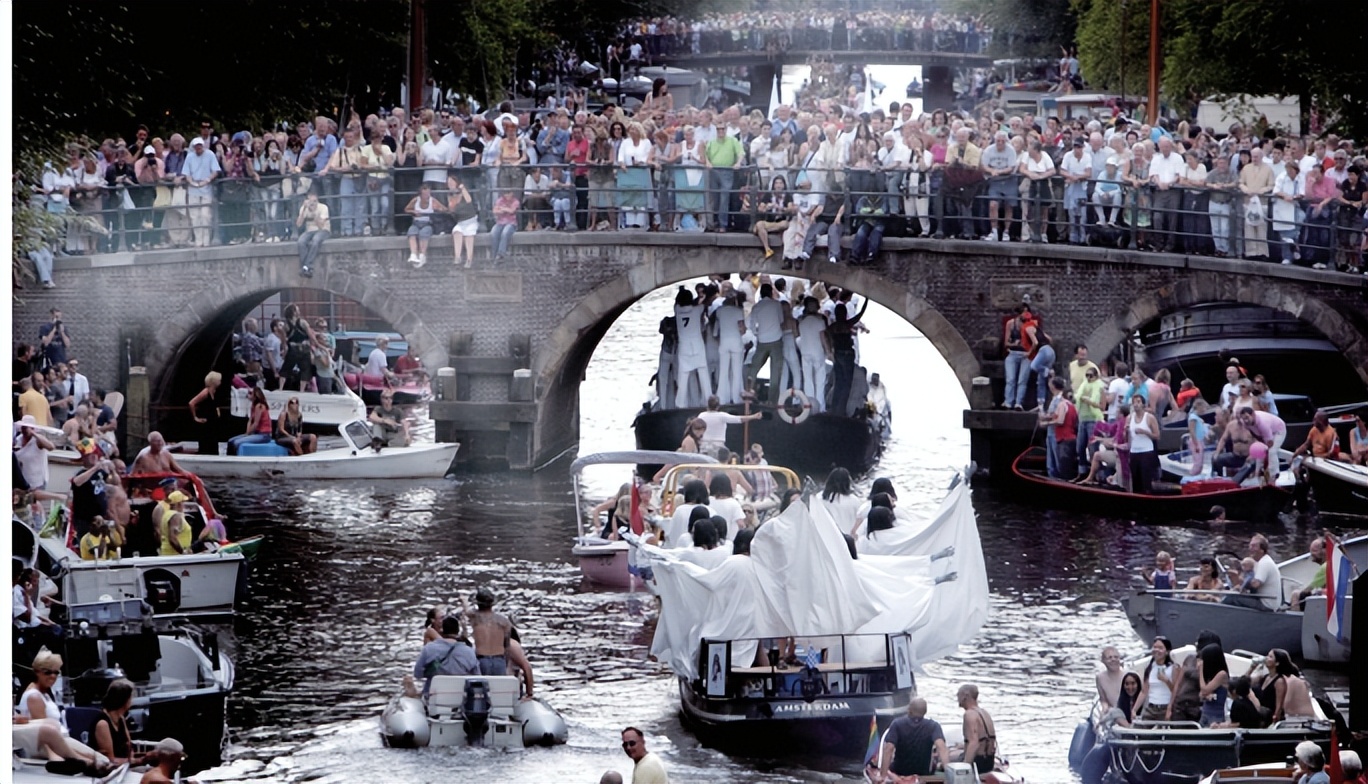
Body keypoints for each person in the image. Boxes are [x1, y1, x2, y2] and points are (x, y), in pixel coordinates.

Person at [872, 696, 950, 782]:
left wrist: (883, 776)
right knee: (935, 761)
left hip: (899, 770)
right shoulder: (934, 726)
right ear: (925, 711)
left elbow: (888, 749)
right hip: (924, 772)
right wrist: (950, 774)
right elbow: (941, 747)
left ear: (909, 709)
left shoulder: (897, 724)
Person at [413, 615, 479, 694]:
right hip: (460, 697)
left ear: (442, 630)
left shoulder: (429, 648)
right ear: (458, 631)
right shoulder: (469, 651)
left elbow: (417, 674)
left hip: (434, 696)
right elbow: (477, 677)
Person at [92, 679, 147, 767]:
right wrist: (137, 761)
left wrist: (134, 759)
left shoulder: (121, 718)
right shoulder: (102, 724)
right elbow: (110, 760)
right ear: (124, 700)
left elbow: (128, 747)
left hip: (125, 766)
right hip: (111, 771)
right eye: (130, 698)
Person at [464, 586, 514, 676]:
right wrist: (507, 664)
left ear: (478, 604)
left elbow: (467, 611)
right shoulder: (504, 621)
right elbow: (507, 646)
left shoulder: (475, 617)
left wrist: (464, 601)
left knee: (482, 688)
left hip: (482, 659)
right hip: (499, 660)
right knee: (498, 689)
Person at [1223, 534, 1282, 610]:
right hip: (1261, 597)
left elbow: (1255, 585)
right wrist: (1236, 578)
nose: (1250, 548)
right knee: (1233, 593)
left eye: (1254, 546)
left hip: (1267, 604)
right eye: (1250, 545)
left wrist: (1241, 584)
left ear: (1262, 550)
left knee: (1232, 597)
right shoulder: (1257, 562)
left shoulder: (1265, 563)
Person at [955, 684, 997, 775]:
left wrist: (964, 768)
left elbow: (974, 743)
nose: (957, 697)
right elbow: (983, 739)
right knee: (955, 751)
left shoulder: (969, 715)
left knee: (945, 760)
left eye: (958, 694)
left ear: (965, 696)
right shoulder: (984, 713)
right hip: (989, 762)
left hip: (978, 763)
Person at [403, 182, 445, 268]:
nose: (427, 196)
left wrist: (438, 208)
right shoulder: (416, 200)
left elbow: (444, 209)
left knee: (424, 234)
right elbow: (406, 209)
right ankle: (413, 254)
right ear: (421, 194)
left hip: (427, 223)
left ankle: (422, 255)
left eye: (428, 193)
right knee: (411, 232)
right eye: (425, 194)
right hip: (416, 222)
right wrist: (413, 211)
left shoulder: (432, 200)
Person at [1128, 394, 1160, 494]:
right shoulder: (1129, 418)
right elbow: (1128, 437)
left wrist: (1145, 432)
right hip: (1134, 451)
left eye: (1138, 402)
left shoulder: (1149, 418)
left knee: (1146, 480)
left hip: (1146, 451)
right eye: (1134, 402)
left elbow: (1157, 436)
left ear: (1143, 404)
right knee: (1135, 480)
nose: (1136, 404)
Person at [1138, 636, 1176, 721]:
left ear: (1167, 652)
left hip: (1165, 707)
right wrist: (1134, 710)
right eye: (1155, 647)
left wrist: (1166, 681)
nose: (1156, 650)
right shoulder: (1149, 668)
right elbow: (1144, 691)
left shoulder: (1173, 668)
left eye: (1160, 648)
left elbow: (1176, 691)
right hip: (1152, 708)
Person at [187, 371, 224, 455]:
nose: (220, 382)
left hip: (212, 423)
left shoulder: (213, 392)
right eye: (219, 380)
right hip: (206, 424)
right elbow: (192, 403)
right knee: (206, 445)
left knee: (213, 445)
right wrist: (195, 417)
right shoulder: (205, 392)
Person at [294, 191, 330, 278]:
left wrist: (314, 213)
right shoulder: (304, 208)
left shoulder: (323, 208)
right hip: (309, 231)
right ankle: (306, 267)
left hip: (323, 230)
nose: (313, 203)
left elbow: (321, 226)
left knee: (316, 241)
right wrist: (303, 211)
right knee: (301, 241)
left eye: (315, 201)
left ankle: (306, 265)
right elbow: (298, 224)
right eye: (311, 201)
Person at [228, 387, 273, 455]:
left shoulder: (259, 406)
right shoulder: (253, 406)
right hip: (256, 433)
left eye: (250, 393)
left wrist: (248, 434)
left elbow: (255, 423)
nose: (248, 395)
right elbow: (250, 420)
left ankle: (235, 459)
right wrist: (247, 433)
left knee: (236, 443)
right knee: (230, 441)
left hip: (264, 435)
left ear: (255, 396)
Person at [1197, 642, 1229, 726]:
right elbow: (1201, 694)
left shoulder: (1222, 674)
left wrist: (1201, 670)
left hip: (1215, 717)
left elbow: (1204, 690)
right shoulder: (1211, 674)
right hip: (1205, 713)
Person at [1096, 646, 1125, 711]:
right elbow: (1103, 700)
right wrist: (1104, 710)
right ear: (1103, 661)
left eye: (1116, 657)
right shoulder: (1100, 677)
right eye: (1109, 658)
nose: (1113, 660)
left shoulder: (1127, 675)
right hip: (1113, 711)